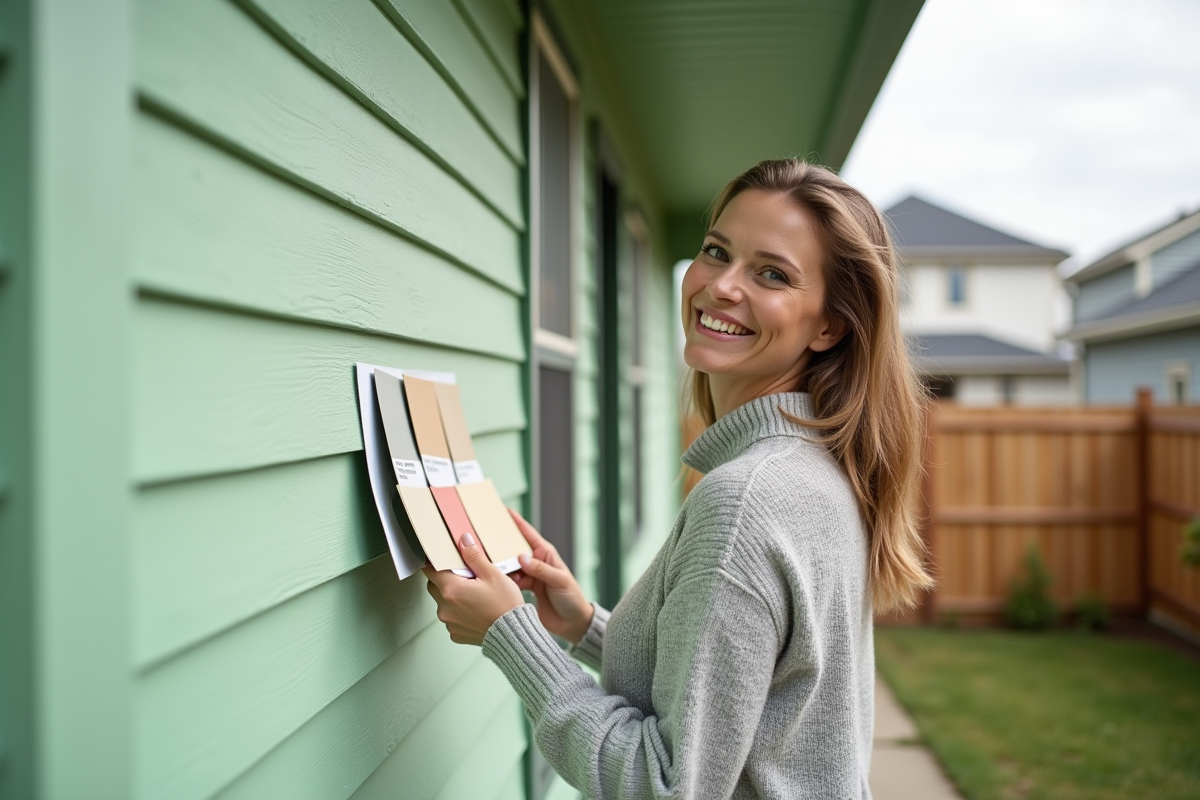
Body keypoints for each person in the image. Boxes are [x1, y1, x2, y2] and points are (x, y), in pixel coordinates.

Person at [423, 158, 932, 799]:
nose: (722, 286)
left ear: (829, 325)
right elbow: (743, 700)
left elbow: (664, 785)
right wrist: (585, 626)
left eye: (771, 273)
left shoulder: (748, 499)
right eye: (717, 252)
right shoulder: (813, 468)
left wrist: (510, 633)